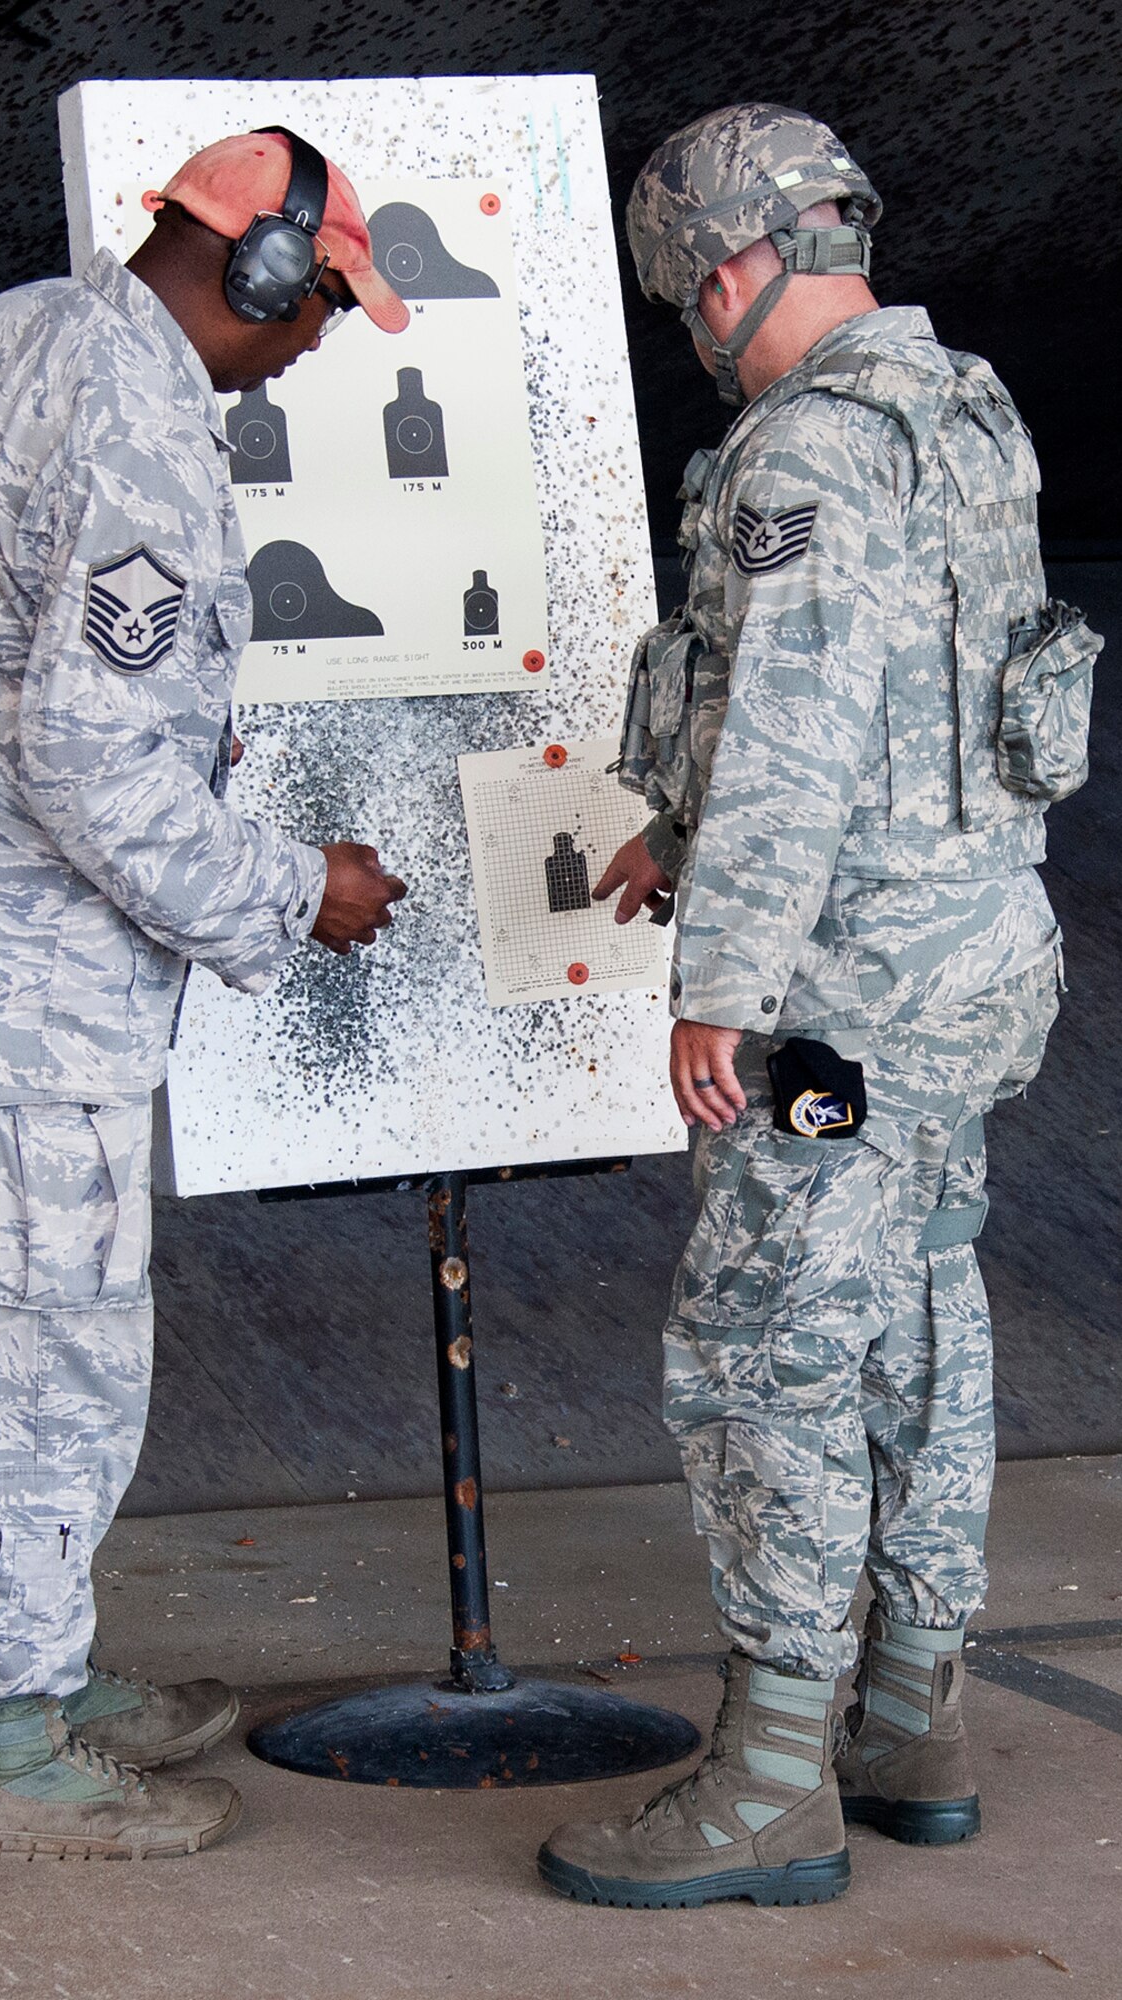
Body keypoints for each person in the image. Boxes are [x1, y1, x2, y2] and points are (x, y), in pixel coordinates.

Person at [0, 128, 410, 1863]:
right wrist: (299, 891)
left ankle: (44, 1673)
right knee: (41, 1354)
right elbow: (95, 758)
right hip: (26, 984)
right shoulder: (140, 429)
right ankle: (9, 1755)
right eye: (316, 308)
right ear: (259, 272)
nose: (311, 343)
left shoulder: (7, 331)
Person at [539, 103, 1098, 1910]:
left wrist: (722, 987)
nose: (690, 327)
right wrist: (670, 831)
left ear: (724, 265)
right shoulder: (964, 407)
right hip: (966, 980)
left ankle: (771, 1777)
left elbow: (791, 731)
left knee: (770, 1331)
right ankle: (905, 1715)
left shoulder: (798, 457)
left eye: (681, 293)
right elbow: (904, 695)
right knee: (922, 1297)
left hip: (835, 1034)